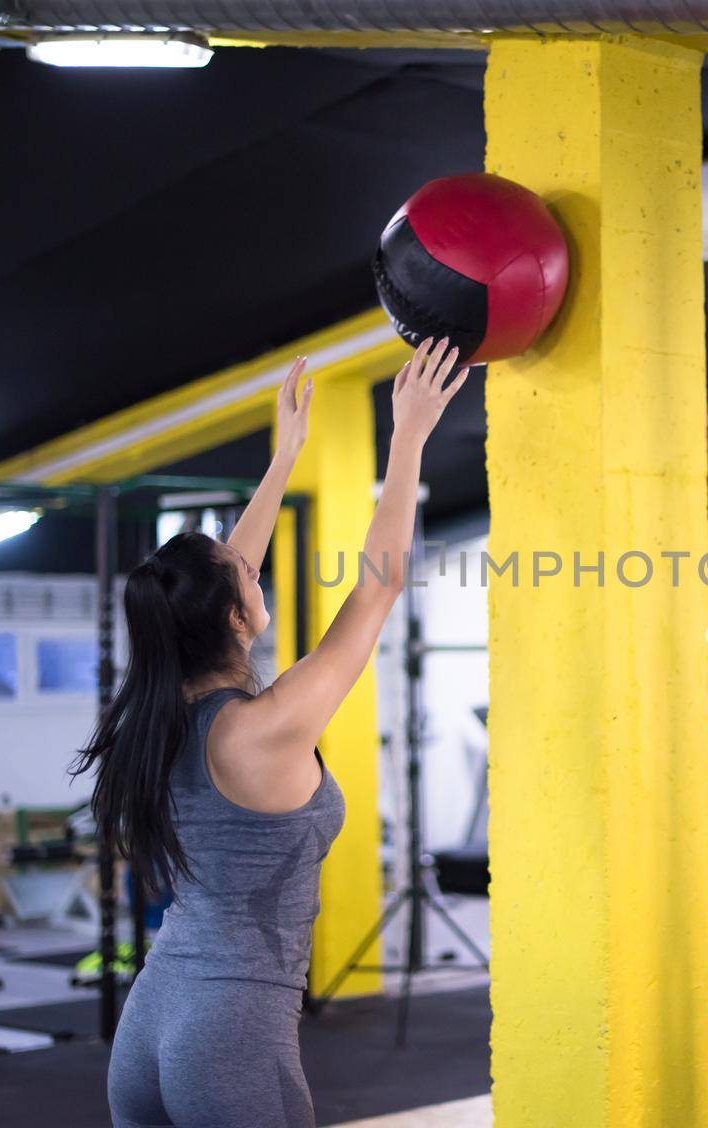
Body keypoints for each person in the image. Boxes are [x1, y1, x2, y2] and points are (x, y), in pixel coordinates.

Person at [78, 338, 469, 1128]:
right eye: (246, 579)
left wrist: (284, 456)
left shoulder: (156, 708)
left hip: (151, 1022)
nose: (253, 571)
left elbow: (222, 576)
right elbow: (379, 585)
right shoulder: (263, 729)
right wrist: (409, 438)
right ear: (233, 617)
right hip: (230, 1038)